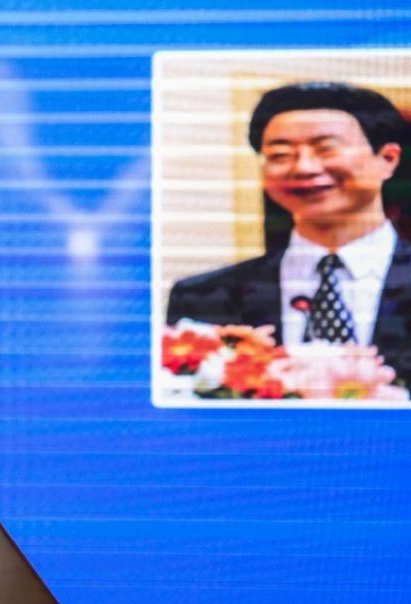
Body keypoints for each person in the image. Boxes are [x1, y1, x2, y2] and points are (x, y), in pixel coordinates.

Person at [166, 81, 411, 383]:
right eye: (280, 154)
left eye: (326, 149)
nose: (304, 167)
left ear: (387, 159)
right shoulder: (203, 297)